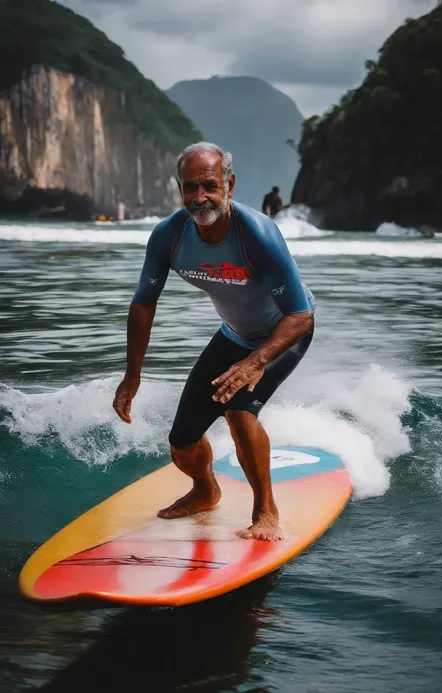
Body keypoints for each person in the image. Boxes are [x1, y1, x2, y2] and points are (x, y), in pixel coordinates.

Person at [112, 142, 315, 541]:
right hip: (233, 336)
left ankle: (266, 511)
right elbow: (143, 304)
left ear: (229, 185)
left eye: (209, 186)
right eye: (190, 187)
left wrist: (256, 362)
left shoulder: (257, 235)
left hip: (284, 333)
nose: (199, 197)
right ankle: (206, 490)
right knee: (182, 442)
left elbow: (300, 316)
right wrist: (132, 375)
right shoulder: (170, 236)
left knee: (239, 412)